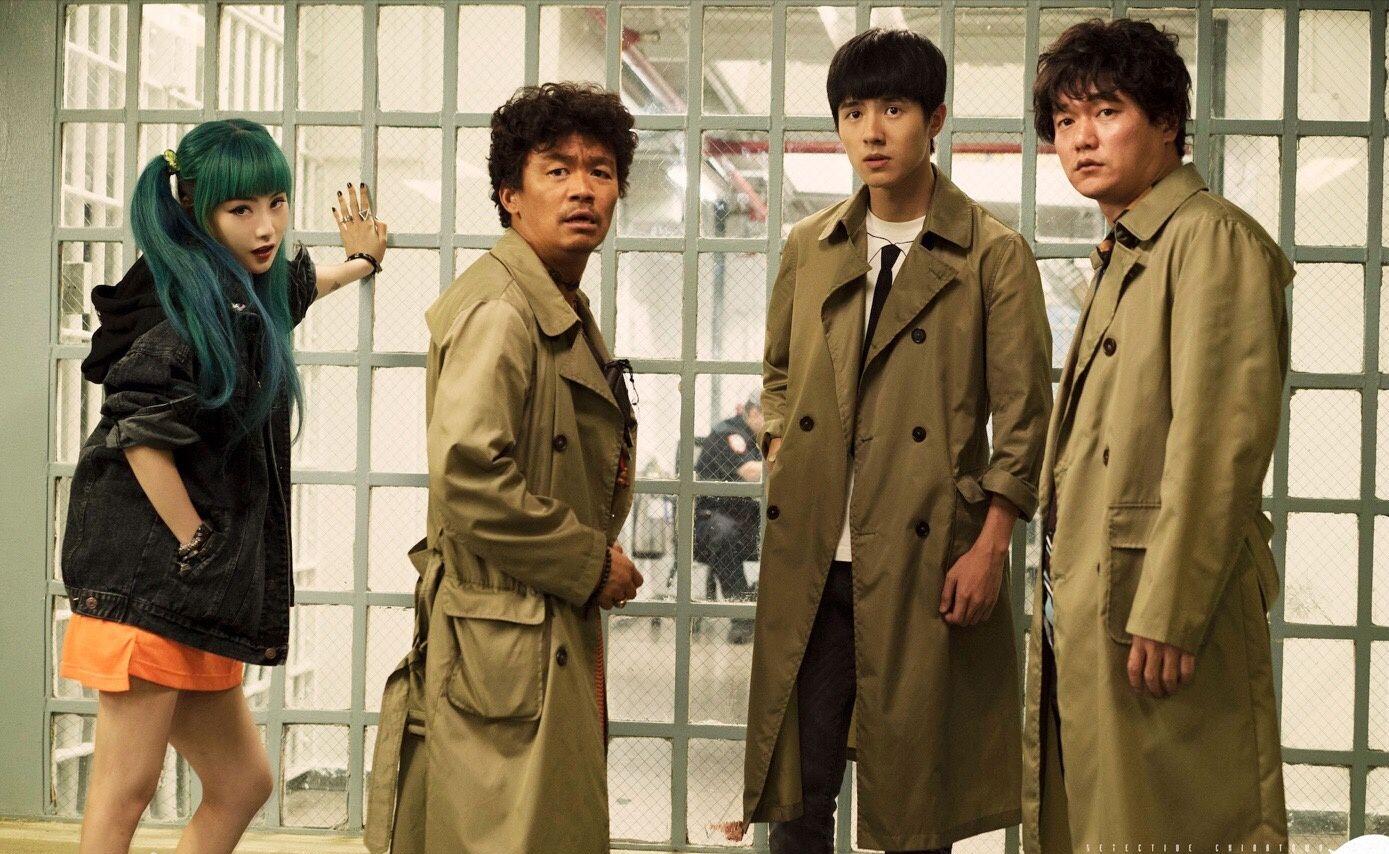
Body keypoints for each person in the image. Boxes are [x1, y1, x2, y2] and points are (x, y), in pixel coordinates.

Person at [739, 28, 1052, 854]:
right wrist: (781, 449)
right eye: (852, 113)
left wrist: (989, 547)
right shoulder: (809, 247)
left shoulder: (992, 255)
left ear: (934, 118)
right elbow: (778, 373)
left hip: (926, 561)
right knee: (797, 795)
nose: (871, 132)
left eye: (892, 109)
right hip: (815, 559)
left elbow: (1024, 421)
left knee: (916, 803)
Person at [58, 118, 387, 854]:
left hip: (188, 590)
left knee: (241, 784)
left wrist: (361, 263)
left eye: (276, 202)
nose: (266, 227)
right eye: (241, 210)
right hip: (150, 581)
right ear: (196, 211)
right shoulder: (181, 306)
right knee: (125, 790)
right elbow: (141, 434)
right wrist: (196, 540)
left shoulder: (236, 293)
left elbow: (286, 296)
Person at [1022, 19, 1290, 852]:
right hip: (1105, 599)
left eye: (1106, 111)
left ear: (1167, 121)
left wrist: (1172, 608)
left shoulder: (1208, 237)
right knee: (1108, 820)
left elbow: (1218, 443)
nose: (1081, 138)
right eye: (1064, 120)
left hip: (1155, 606)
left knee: (1172, 823)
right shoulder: (1131, 245)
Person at [365, 83, 641, 854]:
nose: (583, 189)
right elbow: (469, 474)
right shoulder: (503, 309)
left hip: (528, 628)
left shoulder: (553, 300)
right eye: (556, 170)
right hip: (506, 640)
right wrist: (589, 563)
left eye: (600, 171)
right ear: (509, 195)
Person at [694, 399, 763, 643]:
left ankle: (760, 596)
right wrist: (787, 462)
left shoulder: (755, 438)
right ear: (753, 413)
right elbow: (749, 472)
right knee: (724, 533)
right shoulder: (729, 434)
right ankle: (741, 612)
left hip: (742, 519)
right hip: (711, 519)